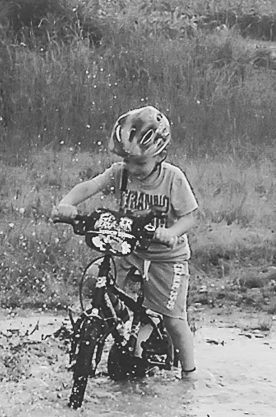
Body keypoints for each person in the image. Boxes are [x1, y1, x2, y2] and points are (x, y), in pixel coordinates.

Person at [52, 106, 200, 379]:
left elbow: (190, 216)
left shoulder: (172, 178)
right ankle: (118, 318)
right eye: (127, 161)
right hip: (128, 248)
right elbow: (90, 186)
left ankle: (189, 374)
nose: (132, 169)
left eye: (139, 163)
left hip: (166, 256)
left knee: (173, 318)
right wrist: (66, 204)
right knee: (95, 279)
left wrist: (172, 232)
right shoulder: (121, 172)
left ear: (160, 155)